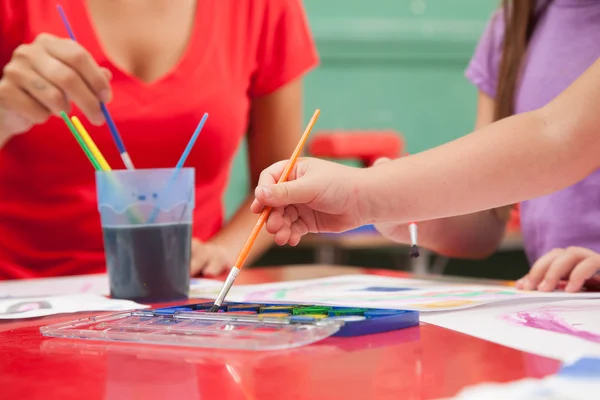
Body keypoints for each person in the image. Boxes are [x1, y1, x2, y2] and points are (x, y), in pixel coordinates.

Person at [250, 3, 600, 294]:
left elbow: (557, 136)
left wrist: (367, 195)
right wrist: (402, 208)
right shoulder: (517, 21)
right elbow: (484, 220)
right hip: (551, 319)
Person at [0, 0, 318, 279]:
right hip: (21, 300)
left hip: (183, 303)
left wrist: (221, 253)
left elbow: (280, 180)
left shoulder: (262, 6)